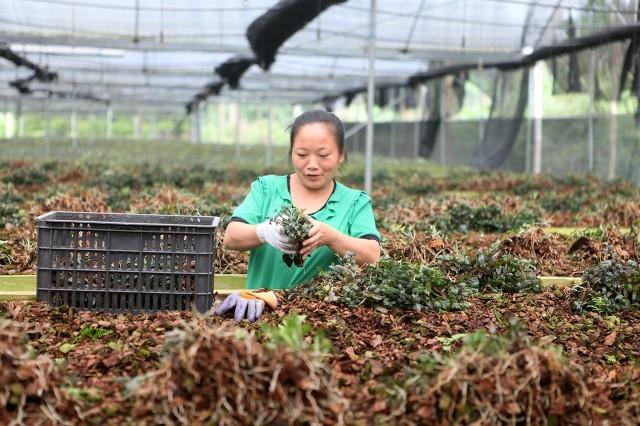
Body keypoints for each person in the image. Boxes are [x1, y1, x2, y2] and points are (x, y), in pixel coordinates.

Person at [216, 109, 381, 322]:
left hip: (322, 321)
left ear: (341, 154)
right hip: (255, 313)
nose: (312, 165)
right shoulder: (267, 189)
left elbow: (373, 256)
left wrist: (331, 237)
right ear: (291, 152)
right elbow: (232, 237)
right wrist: (264, 232)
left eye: (323, 155)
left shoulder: (355, 202)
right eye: (302, 154)